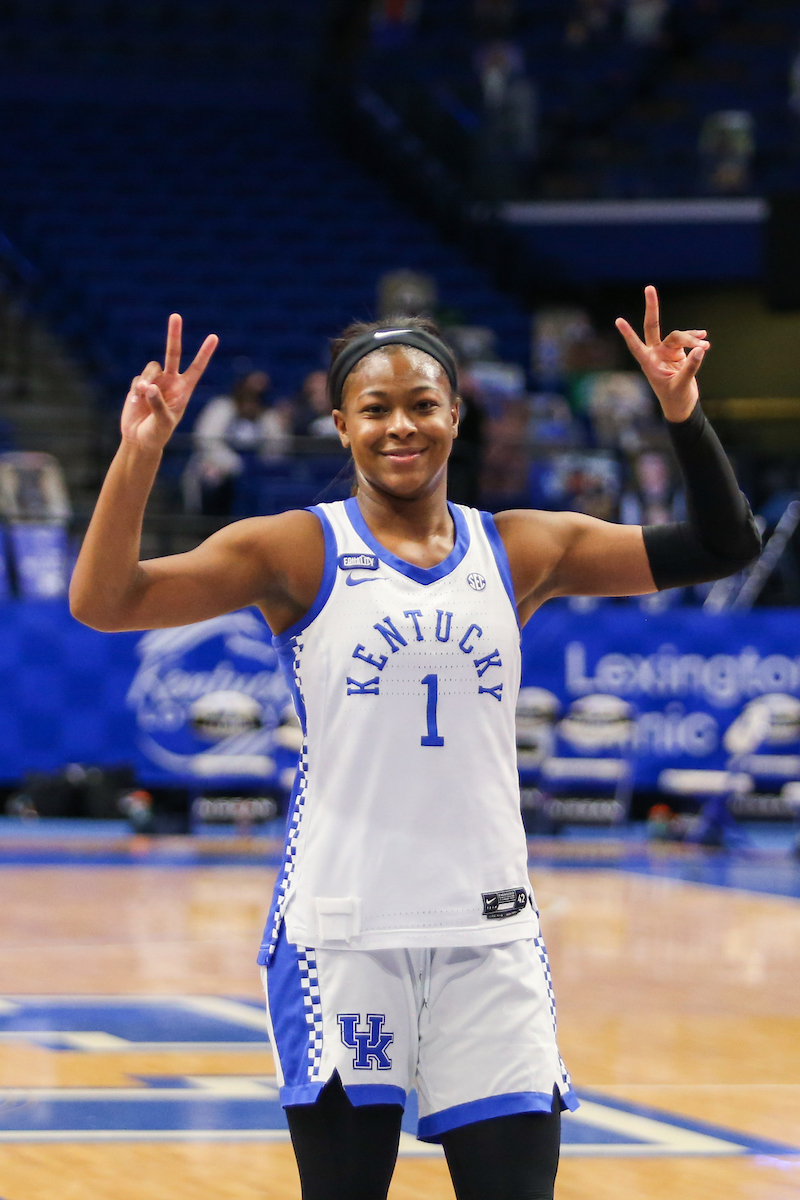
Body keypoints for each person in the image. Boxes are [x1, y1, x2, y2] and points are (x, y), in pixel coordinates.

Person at [70, 287, 760, 1200]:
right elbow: (105, 601)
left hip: (490, 930)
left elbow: (725, 544)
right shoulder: (295, 549)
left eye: (423, 404)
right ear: (341, 426)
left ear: (456, 415)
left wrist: (681, 411)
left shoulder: (520, 548)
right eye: (376, 408)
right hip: (344, 934)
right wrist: (140, 452)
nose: (401, 426)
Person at [182, 369, 289, 514]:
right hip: (219, 464)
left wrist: (255, 464)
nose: (250, 402)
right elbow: (206, 440)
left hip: (255, 469)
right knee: (211, 477)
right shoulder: (221, 407)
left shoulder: (269, 415)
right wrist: (233, 463)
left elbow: (277, 447)